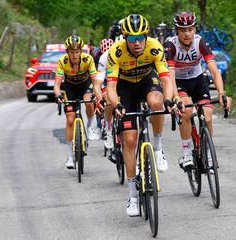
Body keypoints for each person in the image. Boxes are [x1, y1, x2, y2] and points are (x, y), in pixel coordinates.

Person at [105, 14, 174, 217]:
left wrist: (168, 99)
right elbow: (111, 86)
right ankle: (133, 195)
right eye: (132, 39)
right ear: (125, 38)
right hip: (125, 87)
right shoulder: (115, 51)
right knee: (130, 139)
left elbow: (166, 79)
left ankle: (158, 147)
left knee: (156, 102)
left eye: (140, 38)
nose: (137, 43)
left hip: (146, 80)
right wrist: (116, 104)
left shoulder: (154, 47)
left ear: (146, 36)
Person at [164, 12, 232, 169]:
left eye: (190, 29)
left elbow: (214, 70)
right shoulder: (171, 45)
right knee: (186, 110)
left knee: (207, 117)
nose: (187, 33)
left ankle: (207, 150)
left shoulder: (200, 42)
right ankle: (187, 151)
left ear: (195, 29)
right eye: (183, 30)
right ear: (177, 31)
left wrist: (221, 93)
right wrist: (176, 98)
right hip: (179, 82)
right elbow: (170, 75)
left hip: (197, 80)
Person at [54, 35, 102, 169]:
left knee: (88, 101)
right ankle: (70, 156)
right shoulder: (62, 61)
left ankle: (90, 126)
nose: (74, 55)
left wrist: (97, 95)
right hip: (70, 87)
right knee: (70, 119)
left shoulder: (88, 59)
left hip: (85, 85)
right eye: (71, 52)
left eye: (77, 52)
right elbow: (57, 84)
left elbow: (94, 80)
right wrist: (58, 96)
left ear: (81, 51)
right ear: (67, 52)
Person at [94, 38, 115, 149]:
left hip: (116, 80)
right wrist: (98, 97)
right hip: (104, 80)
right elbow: (95, 76)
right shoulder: (98, 56)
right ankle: (106, 128)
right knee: (108, 101)